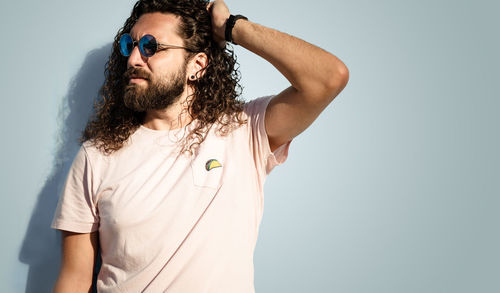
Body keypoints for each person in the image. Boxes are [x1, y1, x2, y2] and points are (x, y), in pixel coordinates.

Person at [51, 0, 349, 292]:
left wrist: (232, 27)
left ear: (197, 64)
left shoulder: (244, 129)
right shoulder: (97, 155)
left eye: (151, 47)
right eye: (131, 46)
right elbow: (74, 281)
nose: (133, 60)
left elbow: (328, 77)